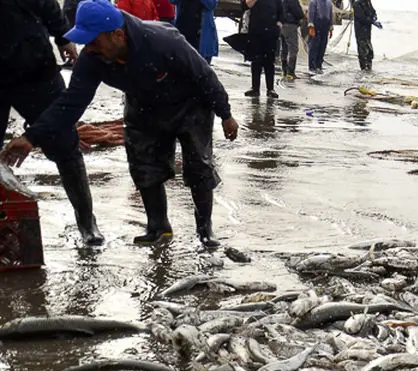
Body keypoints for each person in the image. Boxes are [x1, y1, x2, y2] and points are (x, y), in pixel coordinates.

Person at [3, 0, 241, 250]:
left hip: (190, 105)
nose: (90, 48)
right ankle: (158, 228)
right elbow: (71, 104)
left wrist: (225, 114)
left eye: (93, 41)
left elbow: (205, 76)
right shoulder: (93, 58)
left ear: (117, 35)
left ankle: (205, 231)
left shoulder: (162, 41)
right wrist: (32, 137)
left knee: (199, 168)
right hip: (144, 106)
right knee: (144, 165)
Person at [0, 0, 103, 246]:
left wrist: (62, 37)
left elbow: (46, 4)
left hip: (34, 68)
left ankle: (87, 222)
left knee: (64, 145)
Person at [243, 0, 282, 98]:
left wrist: (279, 24)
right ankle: (255, 88)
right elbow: (244, 6)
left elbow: (281, 11)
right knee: (256, 61)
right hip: (255, 32)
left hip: (271, 32)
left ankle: (270, 89)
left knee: (269, 62)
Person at [352, 0, 381, 72]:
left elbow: (373, 11)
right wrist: (373, 22)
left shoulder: (368, 2)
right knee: (363, 53)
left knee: (370, 52)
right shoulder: (357, 4)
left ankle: (369, 69)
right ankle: (363, 70)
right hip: (360, 32)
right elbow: (362, 18)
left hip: (367, 32)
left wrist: (374, 17)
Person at [279, 0, 304, 79]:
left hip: (282, 24)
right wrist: (302, 16)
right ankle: (290, 72)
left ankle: (285, 70)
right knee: (293, 49)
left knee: (284, 48)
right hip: (290, 25)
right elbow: (297, 12)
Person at [307, 0, 333, 73]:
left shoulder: (329, 3)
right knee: (314, 47)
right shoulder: (313, 2)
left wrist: (331, 29)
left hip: (325, 27)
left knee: (322, 47)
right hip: (316, 26)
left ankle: (319, 65)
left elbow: (330, 16)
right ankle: (312, 67)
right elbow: (311, 14)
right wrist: (311, 27)